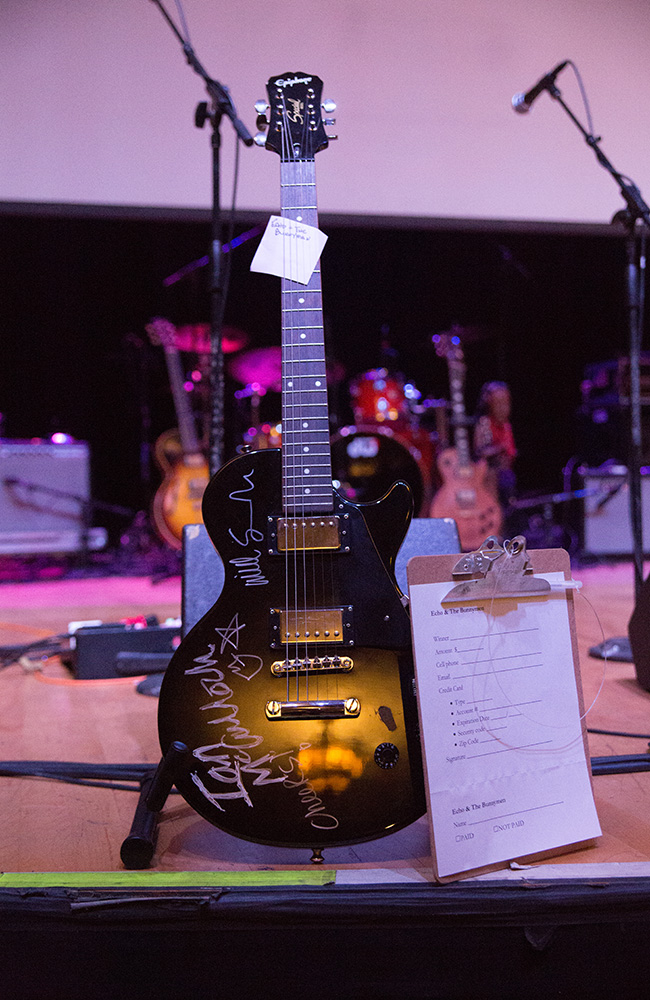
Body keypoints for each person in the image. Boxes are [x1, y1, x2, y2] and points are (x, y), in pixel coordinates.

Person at [473, 381, 517, 510]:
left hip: (506, 474)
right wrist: (498, 450)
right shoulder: (485, 424)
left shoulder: (506, 426)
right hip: (490, 475)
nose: (503, 408)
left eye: (506, 403)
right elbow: (480, 451)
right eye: (498, 403)